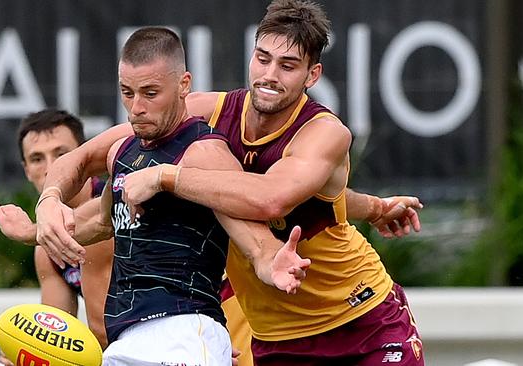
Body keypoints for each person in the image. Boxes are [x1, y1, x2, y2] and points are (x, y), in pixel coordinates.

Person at [34, 4, 424, 366]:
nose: (270, 75)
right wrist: (49, 200)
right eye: (263, 58)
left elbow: (272, 200)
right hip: (276, 337)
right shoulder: (210, 111)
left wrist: (165, 175)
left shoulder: (324, 132)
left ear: (312, 75)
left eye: (288, 65)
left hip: (361, 320)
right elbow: (82, 158)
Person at [33, 27, 310, 366]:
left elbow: (254, 240)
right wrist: (34, 223)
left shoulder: (204, 151)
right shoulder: (124, 151)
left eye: (150, 93)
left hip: (183, 332)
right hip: (126, 339)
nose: (136, 108)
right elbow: (102, 221)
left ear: (183, 85)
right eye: (127, 92)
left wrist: (272, 261)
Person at [0, 109, 113, 364]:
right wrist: (28, 351)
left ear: (84, 158)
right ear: (26, 170)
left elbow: (107, 339)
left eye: (62, 154)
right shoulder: (44, 248)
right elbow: (55, 333)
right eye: (36, 158)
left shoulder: (110, 206)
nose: (51, 167)